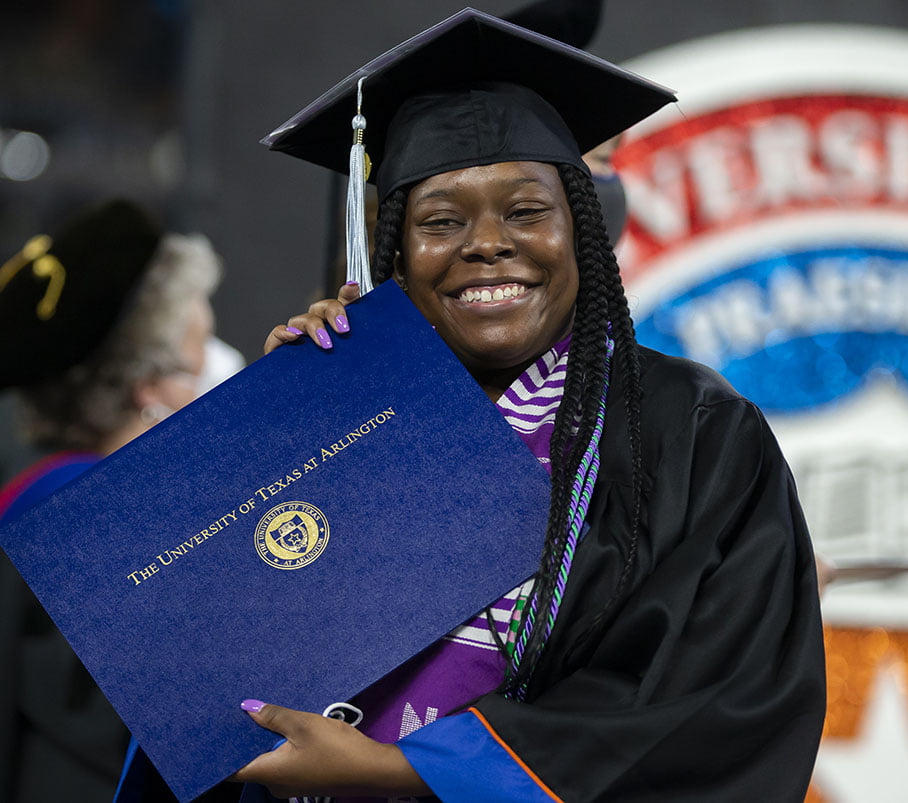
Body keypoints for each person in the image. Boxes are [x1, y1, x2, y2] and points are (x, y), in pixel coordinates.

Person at [144, 10, 821, 802]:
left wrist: (401, 772)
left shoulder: (696, 435)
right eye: (441, 221)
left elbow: (715, 707)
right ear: (398, 250)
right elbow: (199, 670)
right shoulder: (352, 411)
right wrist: (279, 431)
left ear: (582, 230)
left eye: (527, 210)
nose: (487, 242)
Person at [0, 199, 224, 802]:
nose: (210, 380)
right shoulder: (96, 523)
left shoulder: (42, 495)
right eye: (196, 361)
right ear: (147, 387)